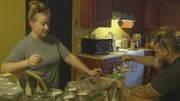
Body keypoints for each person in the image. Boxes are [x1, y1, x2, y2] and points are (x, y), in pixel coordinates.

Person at [0, 1, 102, 89]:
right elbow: (4, 68)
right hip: (34, 97)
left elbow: (69, 57)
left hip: (53, 94)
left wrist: (88, 71)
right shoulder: (24, 45)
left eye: (48, 23)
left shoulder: (53, 40)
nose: (47, 27)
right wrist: (27, 62)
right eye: (43, 24)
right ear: (32, 24)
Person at [117, 28, 180, 101]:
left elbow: (146, 91)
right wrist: (132, 57)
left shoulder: (174, 71)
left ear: (166, 52)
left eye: (157, 53)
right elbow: (153, 61)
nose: (156, 56)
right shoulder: (174, 61)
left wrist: (122, 87)